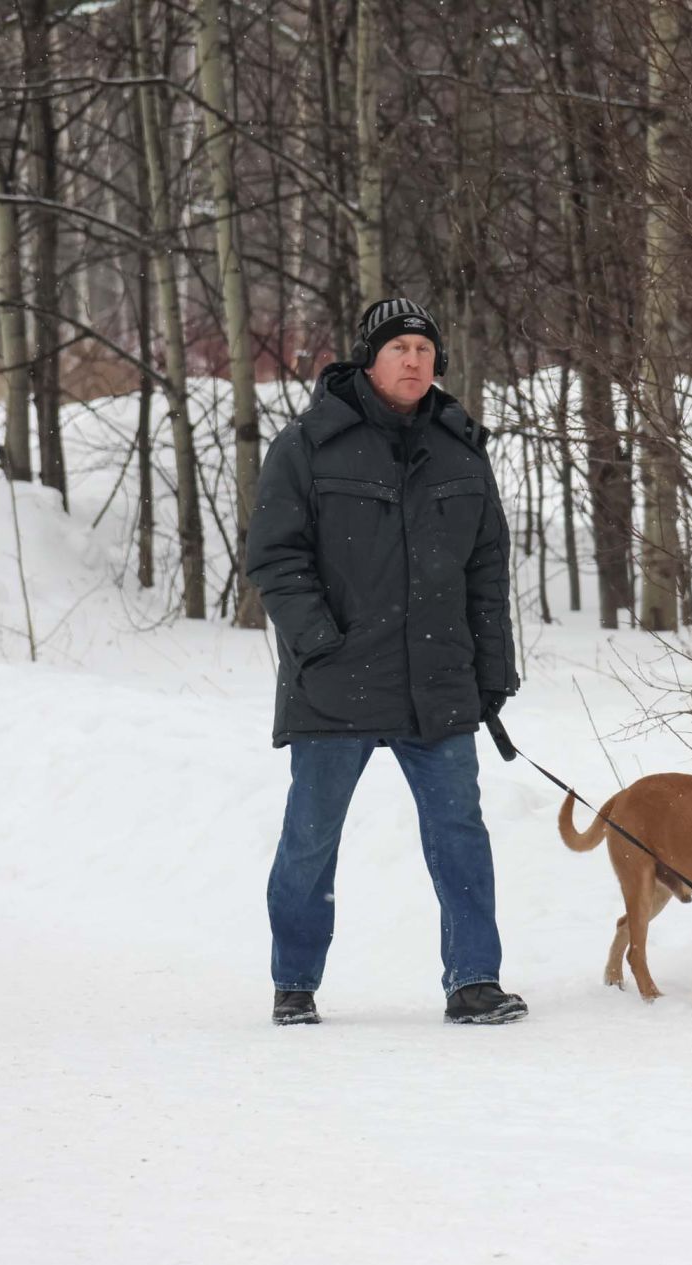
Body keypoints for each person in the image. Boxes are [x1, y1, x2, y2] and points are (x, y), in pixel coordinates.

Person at [244, 298, 525, 1026]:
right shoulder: (309, 444)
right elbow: (276, 559)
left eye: (425, 351)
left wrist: (491, 671)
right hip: (338, 684)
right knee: (311, 838)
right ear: (369, 358)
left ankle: (473, 981)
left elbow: (486, 570)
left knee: (460, 833)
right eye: (400, 348)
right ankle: (295, 982)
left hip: (437, 685)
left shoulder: (460, 449)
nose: (413, 361)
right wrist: (319, 645)